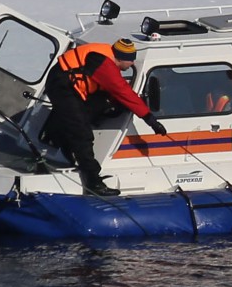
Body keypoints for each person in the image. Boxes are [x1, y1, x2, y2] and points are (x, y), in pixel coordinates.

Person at [43, 37, 167, 196]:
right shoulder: (103, 64)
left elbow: (114, 89)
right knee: (81, 132)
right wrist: (150, 119)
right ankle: (93, 182)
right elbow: (122, 90)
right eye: (130, 60)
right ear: (121, 58)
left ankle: (60, 140)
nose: (132, 64)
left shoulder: (105, 56)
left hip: (68, 82)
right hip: (62, 86)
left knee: (91, 111)